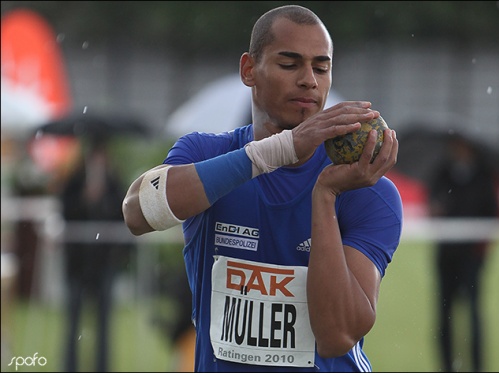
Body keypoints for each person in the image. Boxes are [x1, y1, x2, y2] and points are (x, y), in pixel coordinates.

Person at [123, 4, 402, 372]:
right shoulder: (205, 152)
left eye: (321, 67)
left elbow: (336, 336)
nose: (309, 80)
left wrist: (325, 196)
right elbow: (138, 212)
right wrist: (281, 149)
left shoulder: (363, 186)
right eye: (290, 64)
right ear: (249, 70)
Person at [428, 133, 499, 372]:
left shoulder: (484, 177)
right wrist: (436, 209)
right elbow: (432, 202)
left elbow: (493, 214)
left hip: (472, 257)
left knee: (473, 314)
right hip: (446, 255)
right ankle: (446, 365)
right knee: (444, 315)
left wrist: (481, 246)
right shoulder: (442, 172)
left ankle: (477, 366)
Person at [60, 137, 132, 372]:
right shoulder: (73, 181)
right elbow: (65, 210)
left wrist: (103, 199)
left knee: (103, 325)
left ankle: (102, 367)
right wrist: (84, 198)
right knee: (72, 323)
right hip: (78, 263)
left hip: (103, 263)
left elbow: (124, 213)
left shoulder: (114, 183)